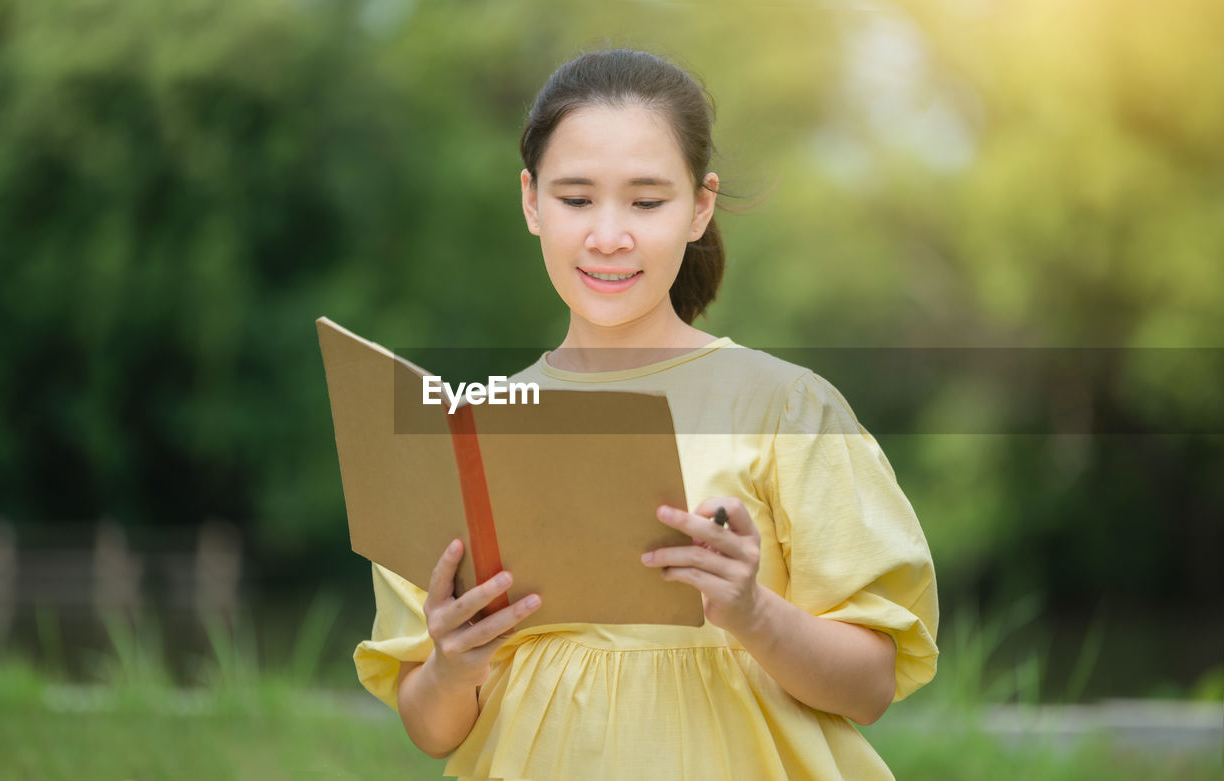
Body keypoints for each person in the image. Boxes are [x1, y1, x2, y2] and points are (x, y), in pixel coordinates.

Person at [354, 48, 938, 780]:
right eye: (575, 199)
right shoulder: (472, 434)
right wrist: (451, 661)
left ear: (699, 205)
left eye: (646, 200)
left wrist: (754, 612)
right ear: (531, 201)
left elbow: (871, 684)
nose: (608, 235)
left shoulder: (785, 406)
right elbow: (431, 729)